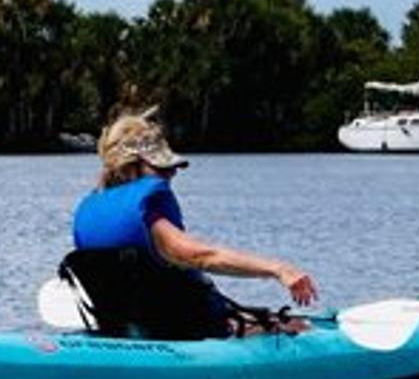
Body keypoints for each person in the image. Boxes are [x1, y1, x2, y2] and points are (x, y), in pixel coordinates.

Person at [70, 108, 318, 336]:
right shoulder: (149, 213)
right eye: (160, 166)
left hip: (129, 326)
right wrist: (278, 269)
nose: (171, 172)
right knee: (299, 328)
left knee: (258, 316)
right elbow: (201, 256)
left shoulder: (91, 210)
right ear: (129, 168)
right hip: (183, 329)